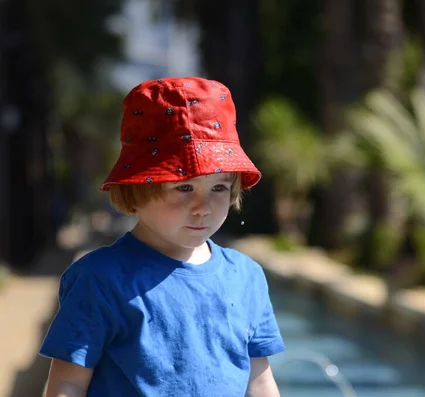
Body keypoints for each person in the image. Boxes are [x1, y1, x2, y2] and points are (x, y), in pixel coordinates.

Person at [39, 77, 286, 397]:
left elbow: (259, 380)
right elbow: (68, 383)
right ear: (136, 189)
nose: (203, 208)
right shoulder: (99, 279)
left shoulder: (247, 276)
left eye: (219, 188)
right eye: (183, 187)